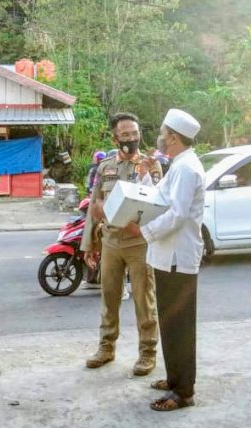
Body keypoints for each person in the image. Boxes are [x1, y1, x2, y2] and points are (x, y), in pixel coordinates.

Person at [124, 108, 205, 412]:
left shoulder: (187, 168)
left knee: (179, 326)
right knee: (170, 323)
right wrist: (146, 173)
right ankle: (174, 379)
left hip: (177, 256)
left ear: (172, 137)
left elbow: (177, 214)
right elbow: (160, 198)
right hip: (167, 255)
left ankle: (184, 391)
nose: (158, 136)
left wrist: (143, 232)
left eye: (162, 132)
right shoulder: (179, 164)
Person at [80, 112, 163, 377]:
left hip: (139, 242)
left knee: (143, 299)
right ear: (115, 138)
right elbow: (95, 204)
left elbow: (158, 202)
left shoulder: (151, 165)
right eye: (125, 134)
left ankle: (147, 353)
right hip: (111, 241)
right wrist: (88, 244)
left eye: (135, 134)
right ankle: (106, 348)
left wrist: (147, 174)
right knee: (109, 297)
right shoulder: (104, 167)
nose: (131, 139)